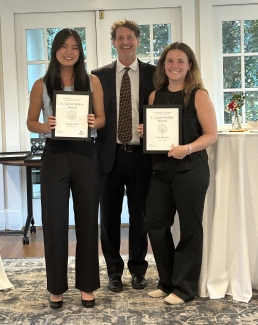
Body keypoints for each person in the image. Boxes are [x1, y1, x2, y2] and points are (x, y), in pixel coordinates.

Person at [27, 28, 105, 309]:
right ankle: (56, 287)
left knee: (86, 220)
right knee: (55, 222)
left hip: (86, 154)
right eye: (64, 46)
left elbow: (102, 119)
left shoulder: (93, 81)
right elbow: (30, 123)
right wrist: (44, 125)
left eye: (75, 47)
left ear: (80, 51)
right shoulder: (41, 84)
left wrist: (95, 122)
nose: (69, 51)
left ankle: (87, 286)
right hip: (55, 155)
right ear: (55, 50)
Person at [138, 42, 217, 304]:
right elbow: (156, 134)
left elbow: (211, 135)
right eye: (169, 61)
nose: (174, 65)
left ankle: (184, 288)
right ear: (163, 65)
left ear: (190, 65)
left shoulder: (198, 95)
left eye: (181, 61)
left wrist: (188, 148)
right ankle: (168, 281)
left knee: (190, 228)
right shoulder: (154, 96)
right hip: (160, 170)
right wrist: (144, 133)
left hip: (191, 170)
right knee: (156, 225)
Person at [91, 19, 155, 292]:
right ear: (114, 42)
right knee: (109, 217)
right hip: (109, 155)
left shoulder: (155, 74)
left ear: (138, 40)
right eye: (120, 37)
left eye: (130, 36)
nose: (125, 41)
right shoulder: (99, 75)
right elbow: (94, 114)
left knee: (140, 215)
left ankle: (138, 270)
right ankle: (114, 271)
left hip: (142, 155)